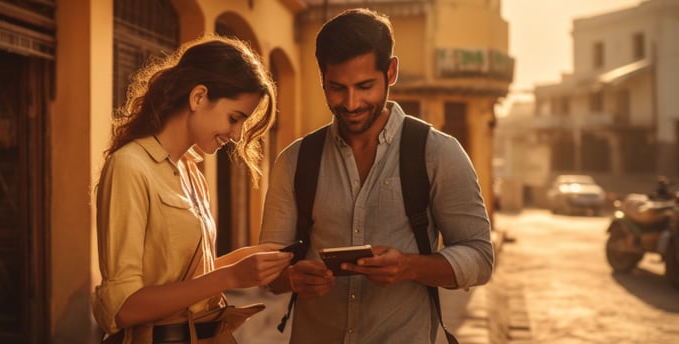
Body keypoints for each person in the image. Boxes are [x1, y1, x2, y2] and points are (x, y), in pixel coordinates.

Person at [259, 8, 494, 343]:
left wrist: (410, 266)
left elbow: (480, 258)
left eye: (365, 86)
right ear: (322, 78)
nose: (351, 102)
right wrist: (292, 278)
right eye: (337, 88)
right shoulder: (296, 160)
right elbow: (268, 270)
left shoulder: (438, 153)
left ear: (391, 71)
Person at [92, 35, 293, 344]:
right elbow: (123, 308)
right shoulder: (130, 165)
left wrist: (243, 260)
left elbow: (183, 280)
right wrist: (230, 276)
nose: (238, 135)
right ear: (198, 97)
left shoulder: (191, 171)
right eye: (234, 118)